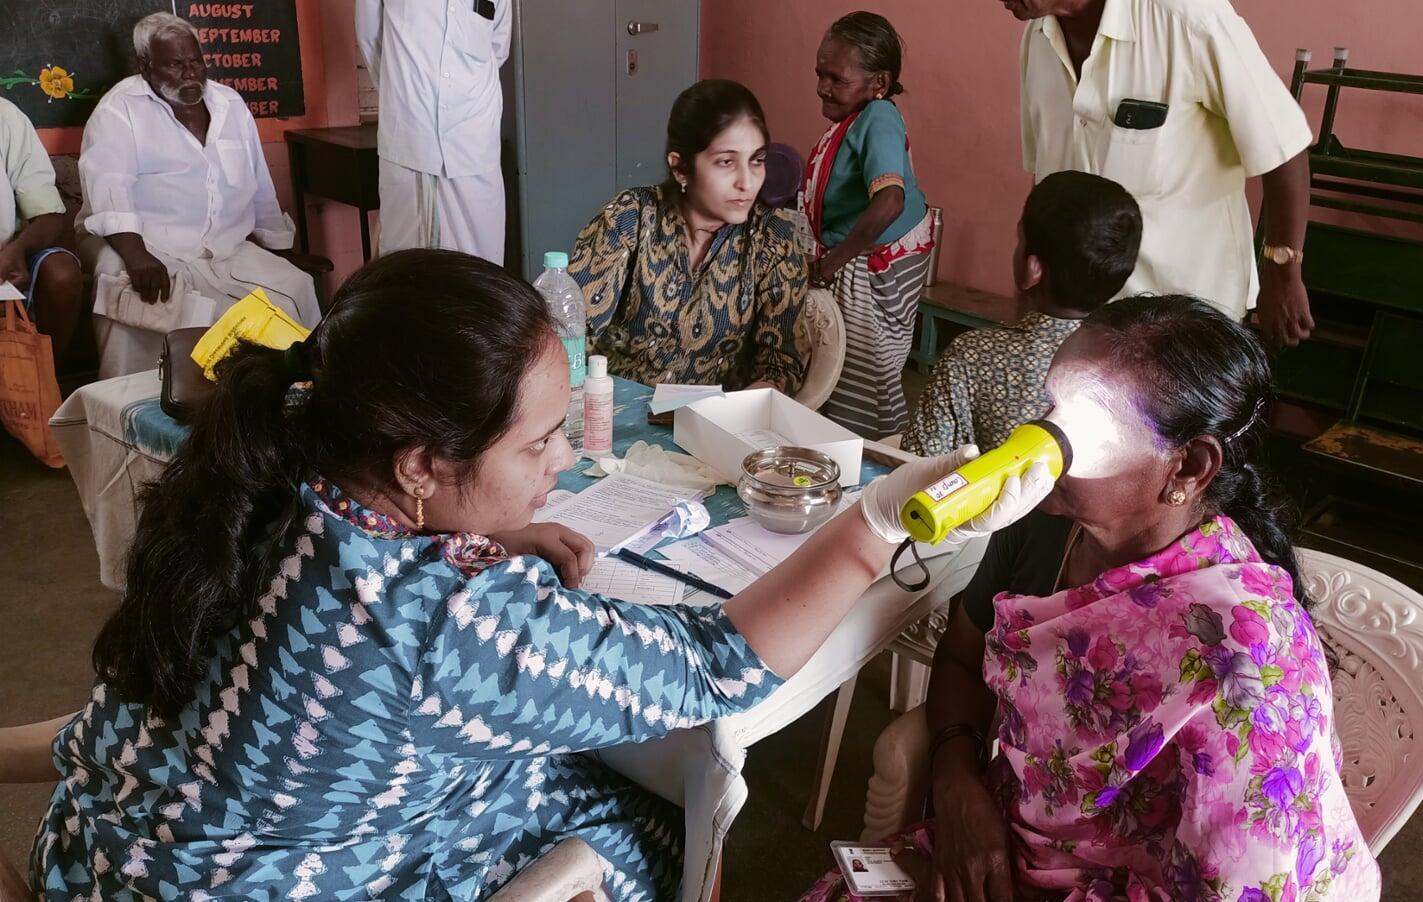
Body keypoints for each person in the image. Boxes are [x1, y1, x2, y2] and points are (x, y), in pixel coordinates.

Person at [18, 249, 1048, 899]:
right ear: (421, 465)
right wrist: (873, 517)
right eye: (539, 445)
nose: (559, 466)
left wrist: (490, 540)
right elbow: (723, 665)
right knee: (646, 813)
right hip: (270, 878)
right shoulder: (443, 619)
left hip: (116, 849)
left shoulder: (265, 480)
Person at [803, 296, 1381, 901]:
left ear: (1187, 467)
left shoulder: (1248, 662)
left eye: (1088, 419)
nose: (1041, 438)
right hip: (1011, 846)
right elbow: (959, 658)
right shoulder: (1039, 524)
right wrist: (956, 780)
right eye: (1051, 404)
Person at [1006, 0, 1317, 347]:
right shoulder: (1038, 39)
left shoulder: (1188, 17)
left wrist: (1283, 269)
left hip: (1184, 322)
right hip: (1082, 325)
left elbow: (1285, 150)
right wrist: (1030, 286)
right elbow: (1046, 180)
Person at [77, 12, 321, 379]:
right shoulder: (119, 110)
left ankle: (298, 391)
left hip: (225, 248)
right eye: (176, 65)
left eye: (196, 61)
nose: (191, 74)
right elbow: (110, 189)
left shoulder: (229, 104)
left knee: (296, 285)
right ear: (146, 65)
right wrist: (136, 253)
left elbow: (259, 185)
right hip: (153, 246)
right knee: (125, 286)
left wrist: (283, 252)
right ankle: (129, 402)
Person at [570, 80, 810, 393]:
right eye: (726, 162)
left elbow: (781, 363)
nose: (747, 182)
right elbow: (572, 333)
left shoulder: (772, 242)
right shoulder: (632, 218)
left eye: (757, 160)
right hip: (614, 411)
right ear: (681, 168)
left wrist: (733, 418)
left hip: (713, 422)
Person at [902, 171, 1139, 457]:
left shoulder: (973, 356)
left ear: (1033, 270)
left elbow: (920, 462)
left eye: (1020, 239)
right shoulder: (1134, 369)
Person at [801, 11, 935, 439]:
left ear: (878, 83)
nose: (823, 86)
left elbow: (890, 201)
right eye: (820, 74)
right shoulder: (856, 121)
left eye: (836, 79)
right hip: (856, 257)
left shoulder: (878, 118)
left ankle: (875, 458)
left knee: (864, 373)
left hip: (873, 269)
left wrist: (831, 264)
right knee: (840, 374)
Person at [357, 0, 512, 264]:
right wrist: (406, 98)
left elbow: (497, 48)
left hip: (474, 139)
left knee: (484, 263)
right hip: (413, 139)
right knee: (408, 264)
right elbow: (370, 40)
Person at [0, 97, 81, 367]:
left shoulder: (6, 116)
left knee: (61, 272)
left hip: (3, 260)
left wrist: (17, 250)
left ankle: (43, 384)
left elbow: (49, 214)